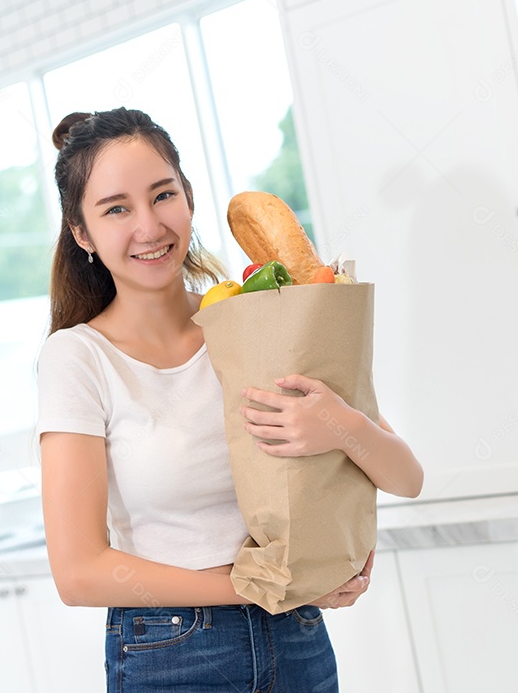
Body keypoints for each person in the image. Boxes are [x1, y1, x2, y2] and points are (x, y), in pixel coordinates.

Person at [36, 107, 424, 692]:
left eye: (162, 195)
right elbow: (79, 573)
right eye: (116, 208)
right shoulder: (79, 358)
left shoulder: (255, 322)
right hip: (174, 652)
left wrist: (339, 424)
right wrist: (267, 586)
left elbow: (407, 477)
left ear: (189, 198)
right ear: (82, 233)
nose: (149, 226)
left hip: (297, 640)